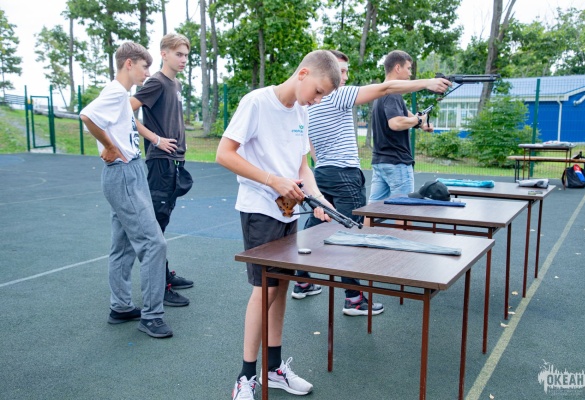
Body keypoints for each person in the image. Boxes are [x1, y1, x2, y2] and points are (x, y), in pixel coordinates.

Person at [216, 50, 341, 400]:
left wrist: (319, 198)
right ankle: (245, 376)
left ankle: (273, 369)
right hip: (259, 210)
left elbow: (302, 168)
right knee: (265, 290)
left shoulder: (301, 111)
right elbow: (224, 154)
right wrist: (273, 180)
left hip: (289, 212)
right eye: (318, 91)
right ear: (303, 74)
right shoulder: (256, 102)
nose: (317, 100)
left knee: (281, 286)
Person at [293, 50, 450, 316]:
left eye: (345, 72)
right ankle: (354, 299)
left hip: (323, 173)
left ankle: (302, 279)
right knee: (351, 233)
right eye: (339, 71)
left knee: (316, 225)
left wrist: (323, 166)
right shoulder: (337, 95)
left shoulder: (309, 102)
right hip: (344, 174)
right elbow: (387, 87)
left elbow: (309, 145)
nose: (343, 77)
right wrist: (428, 83)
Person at [80, 41, 173, 339]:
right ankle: (152, 316)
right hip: (122, 174)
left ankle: (120, 306)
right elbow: (87, 116)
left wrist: (117, 144)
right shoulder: (116, 91)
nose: (148, 72)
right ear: (129, 64)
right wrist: (109, 146)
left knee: (123, 244)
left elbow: (118, 124)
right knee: (154, 244)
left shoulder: (122, 95)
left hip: (130, 170)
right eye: (145, 67)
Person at [130, 33, 194, 308]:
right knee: (156, 227)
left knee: (162, 223)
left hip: (174, 162)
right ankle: (160, 287)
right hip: (159, 162)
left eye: (186, 55)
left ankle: (164, 275)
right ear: (164, 54)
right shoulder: (155, 81)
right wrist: (156, 139)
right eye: (178, 54)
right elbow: (126, 112)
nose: (183, 60)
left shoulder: (175, 83)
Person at [368, 50, 436, 203]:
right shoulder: (393, 94)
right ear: (397, 68)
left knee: (373, 209)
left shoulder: (381, 92)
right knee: (404, 209)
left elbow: (402, 113)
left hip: (381, 162)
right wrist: (417, 120)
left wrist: (421, 124)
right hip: (397, 163)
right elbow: (396, 123)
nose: (410, 73)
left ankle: (368, 222)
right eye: (408, 68)